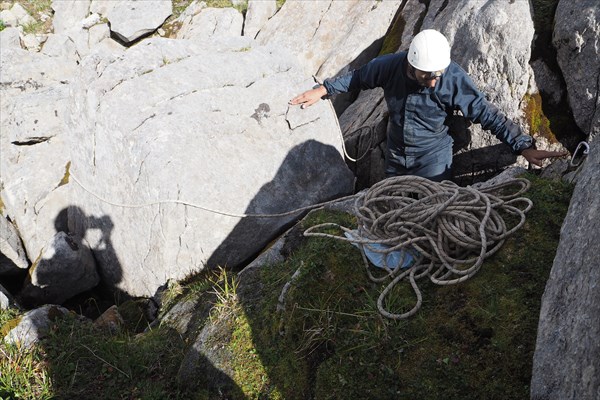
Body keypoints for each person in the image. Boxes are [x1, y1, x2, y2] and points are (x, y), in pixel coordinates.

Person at [289, 29, 567, 181]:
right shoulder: (388, 67)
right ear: (411, 65)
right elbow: (358, 78)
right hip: (396, 156)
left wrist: (524, 146)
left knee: (432, 211)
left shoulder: (451, 77)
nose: (434, 82)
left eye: (438, 75)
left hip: (433, 160)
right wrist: (324, 89)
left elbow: (485, 113)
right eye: (427, 76)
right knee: (394, 211)